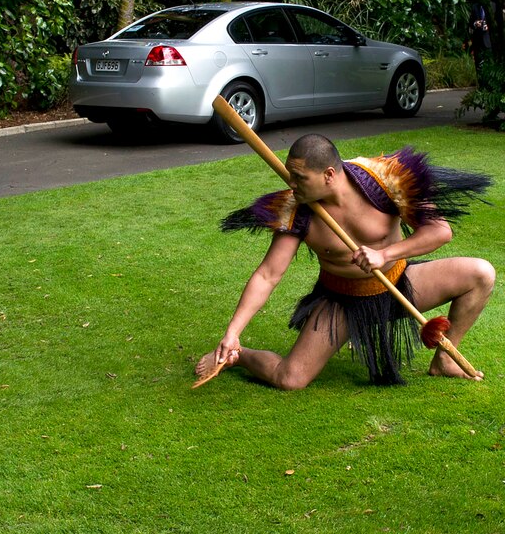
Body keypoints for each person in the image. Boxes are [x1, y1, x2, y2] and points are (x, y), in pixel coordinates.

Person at [193, 134, 494, 390]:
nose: (291, 184)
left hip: (397, 283)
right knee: (290, 379)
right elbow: (268, 275)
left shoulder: (386, 178)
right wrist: (233, 333)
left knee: (481, 273)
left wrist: (385, 254)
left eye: (300, 178)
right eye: (289, 175)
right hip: (341, 302)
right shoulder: (295, 209)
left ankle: (443, 361)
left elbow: (440, 231)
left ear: (329, 175)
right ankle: (239, 356)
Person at [468, 0, 494, 82]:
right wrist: (475, 23)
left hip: (489, 40)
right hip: (478, 39)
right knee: (478, 62)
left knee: (490, 61)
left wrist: (489, 26)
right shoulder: (475, 6)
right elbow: (470, 22)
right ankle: (480, 82)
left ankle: (490, 82)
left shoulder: (493, 6)